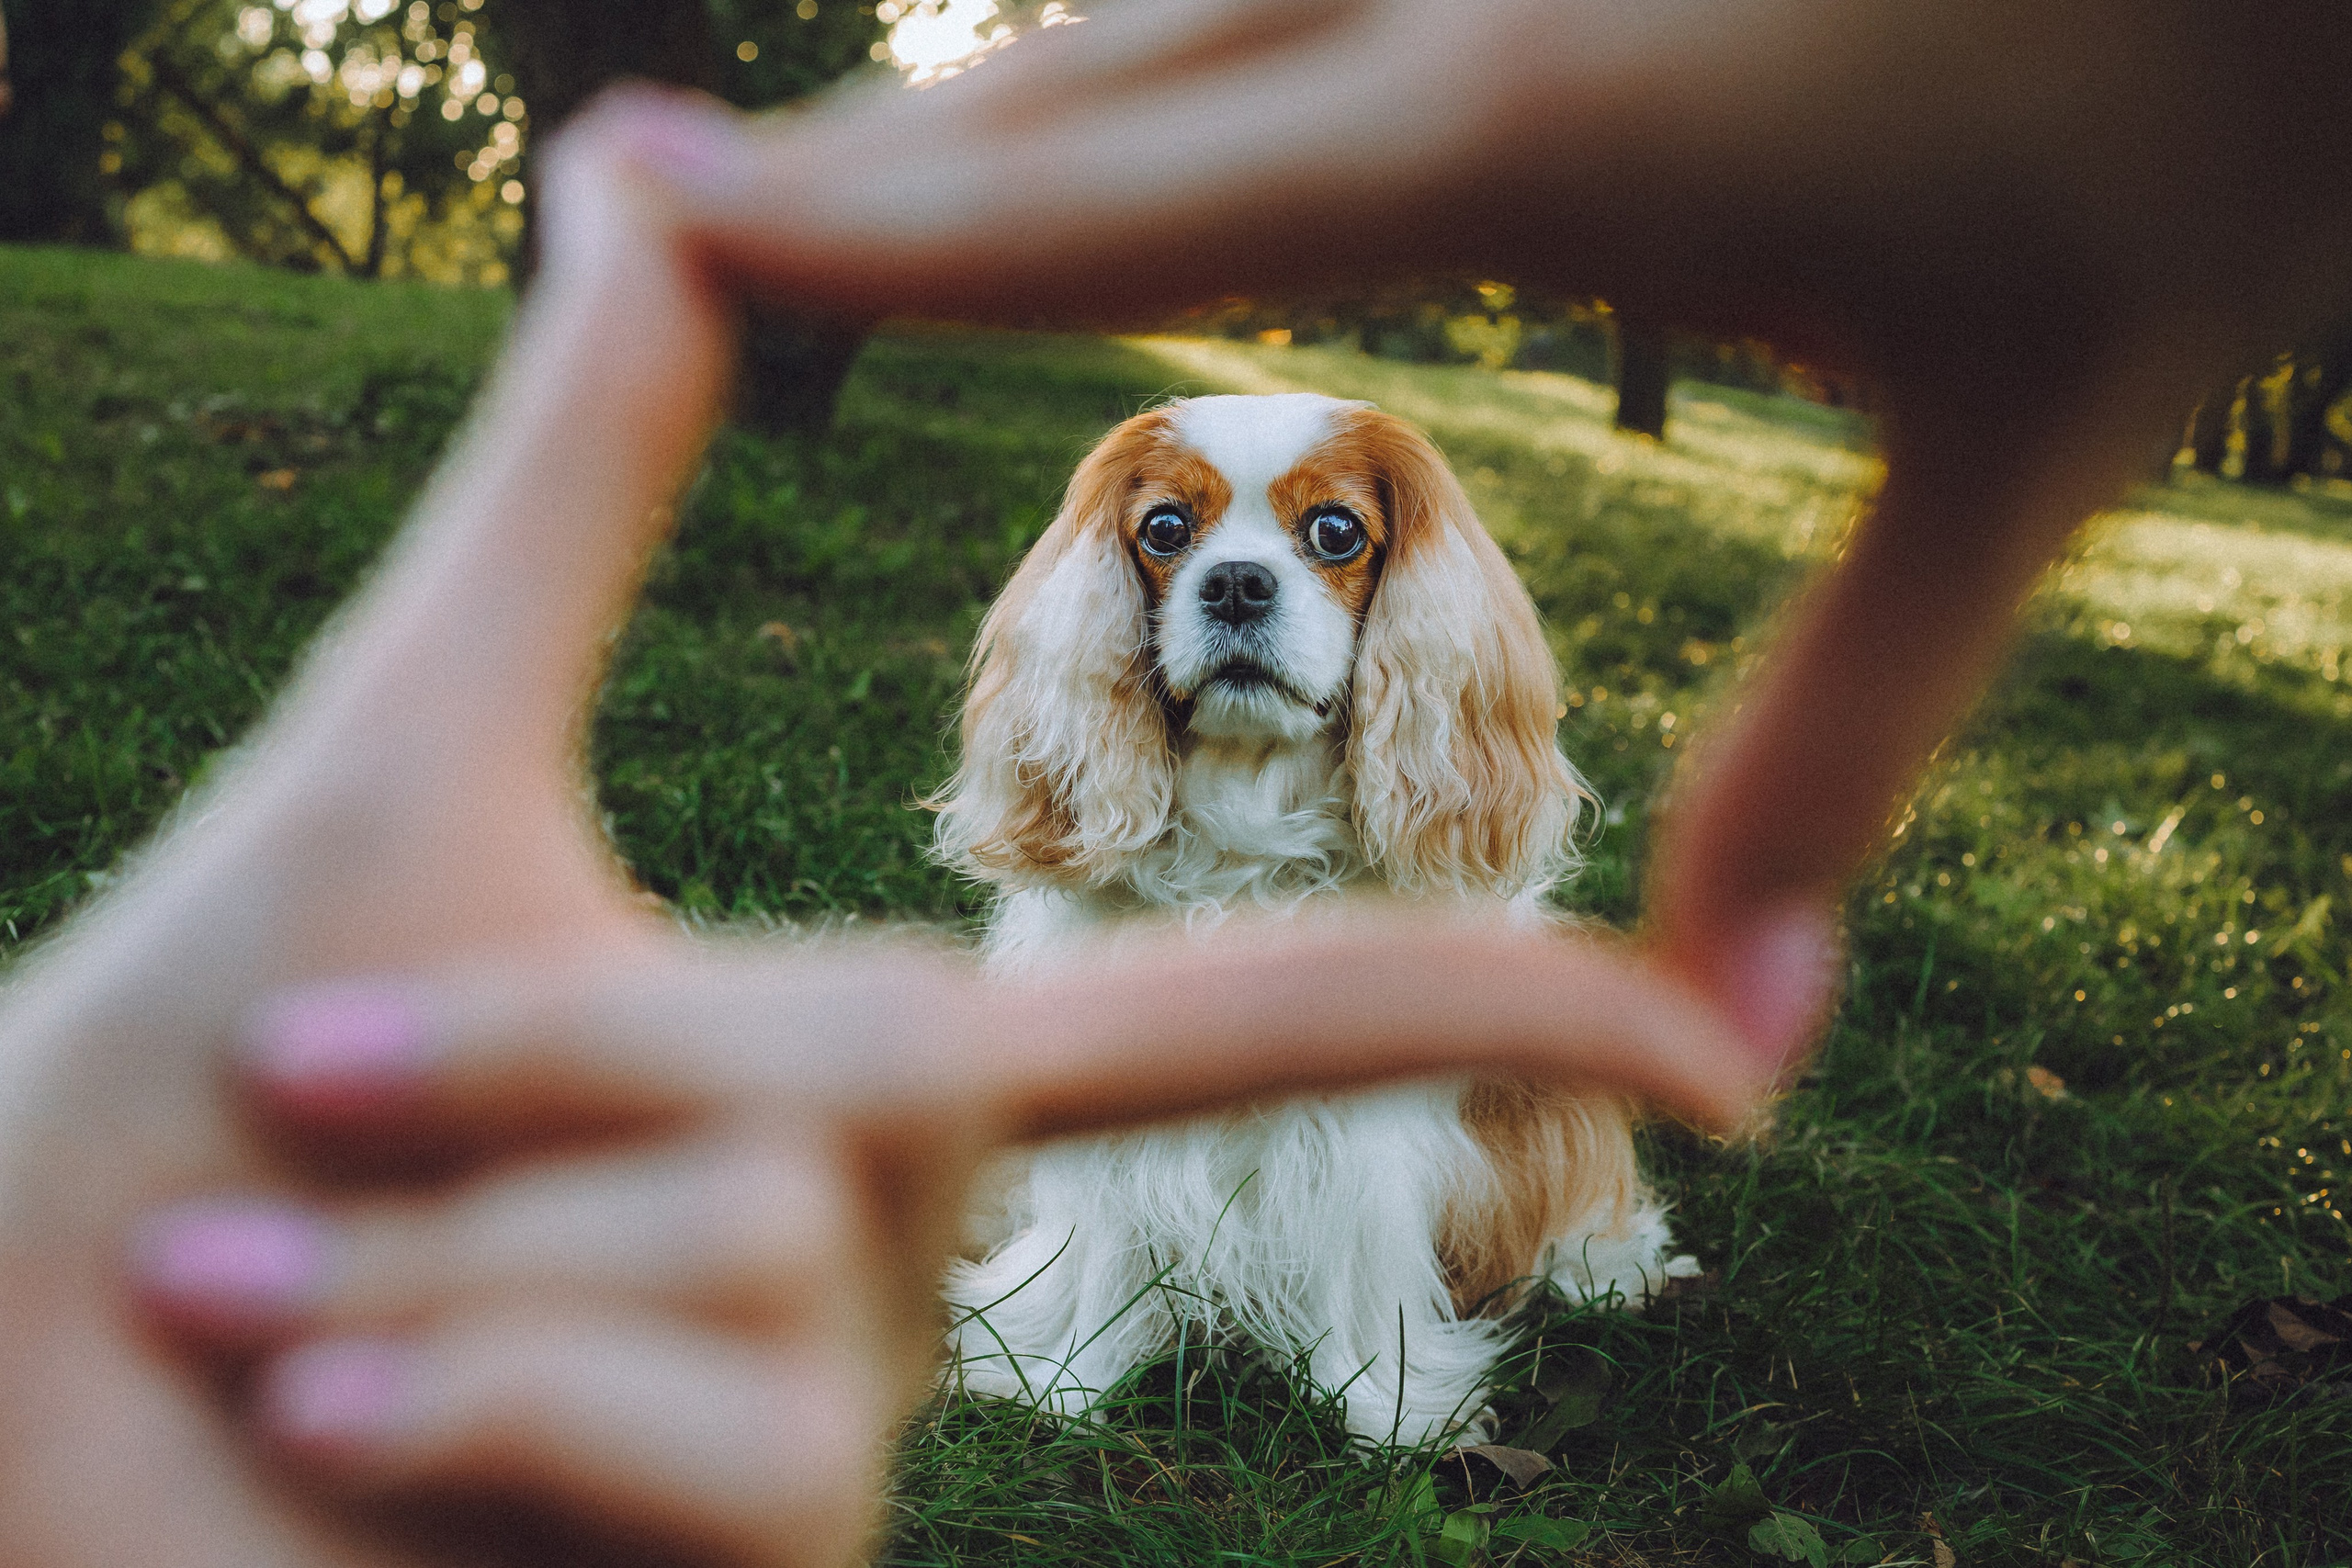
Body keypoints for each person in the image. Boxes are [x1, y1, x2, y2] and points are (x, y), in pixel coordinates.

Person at [4, 0, 2348, 1564]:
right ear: (1125, 581)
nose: (1238, 576)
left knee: (1471, 1135)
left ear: (1384, 584)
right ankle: (1083, 1309)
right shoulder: (1108, 709)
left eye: (1316, 540)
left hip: (1399, 1015)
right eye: (1178, 539)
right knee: (1087, 1157)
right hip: (1143, 909)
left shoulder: (1416, 756)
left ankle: (1420, 1326)